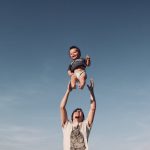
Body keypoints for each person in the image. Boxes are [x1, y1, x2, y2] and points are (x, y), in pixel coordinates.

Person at [60, 79, 96, 150]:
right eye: (76, 111)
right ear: (72, 116)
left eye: (80, 111)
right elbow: (62, 107)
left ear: (82, 117)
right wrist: (68, 91)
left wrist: (91, 92)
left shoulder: (85, 125)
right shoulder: (67, 125)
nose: (78, 111)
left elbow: (93, 108)